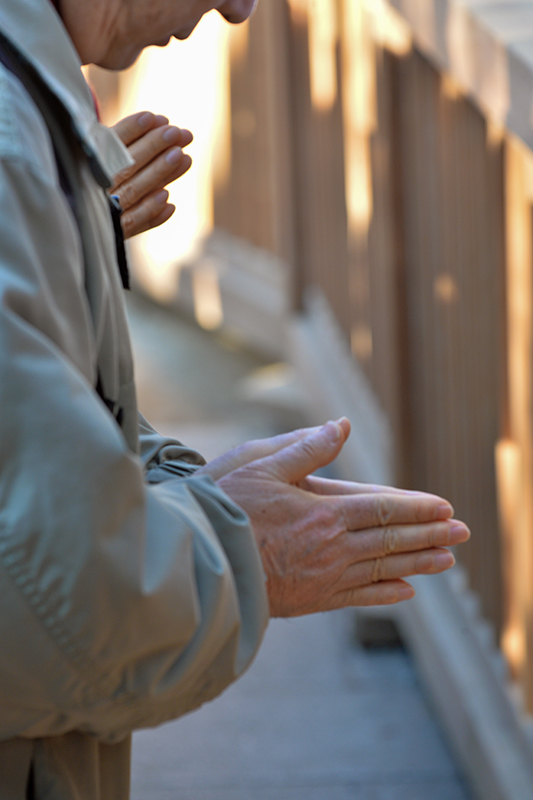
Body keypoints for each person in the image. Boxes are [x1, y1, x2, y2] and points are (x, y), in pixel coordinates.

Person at [0, 0, 470, 797]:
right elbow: (62, 610)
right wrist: (249, 551)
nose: (240, 7)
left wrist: (194, 494)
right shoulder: (14, 148)